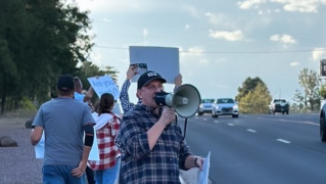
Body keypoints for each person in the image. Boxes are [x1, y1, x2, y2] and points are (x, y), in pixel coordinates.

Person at [115, 71, 204, 183]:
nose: (157, 90)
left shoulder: (171, 119)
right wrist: (162, 122)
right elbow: (136, 148)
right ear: (139, 94)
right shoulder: (131, 118)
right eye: (151, 87)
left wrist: (196, 161)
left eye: (159, 86)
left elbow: (182, 155)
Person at [30, 74, 96, 184]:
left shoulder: (45, 107)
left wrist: (32, 134)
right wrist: (84, 162)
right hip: (75, 164)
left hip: (52, 163)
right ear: (74, 89)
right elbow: (89, 133)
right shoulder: (83, 108)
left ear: (57, 89)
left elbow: (35, 138)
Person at [88, 93, 121, 184]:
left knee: (98, 180)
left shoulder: (92, 117)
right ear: (112, 105)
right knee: (109, 181)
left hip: (96, 156)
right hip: (110, 156)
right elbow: (118, 139)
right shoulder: (113, 118)